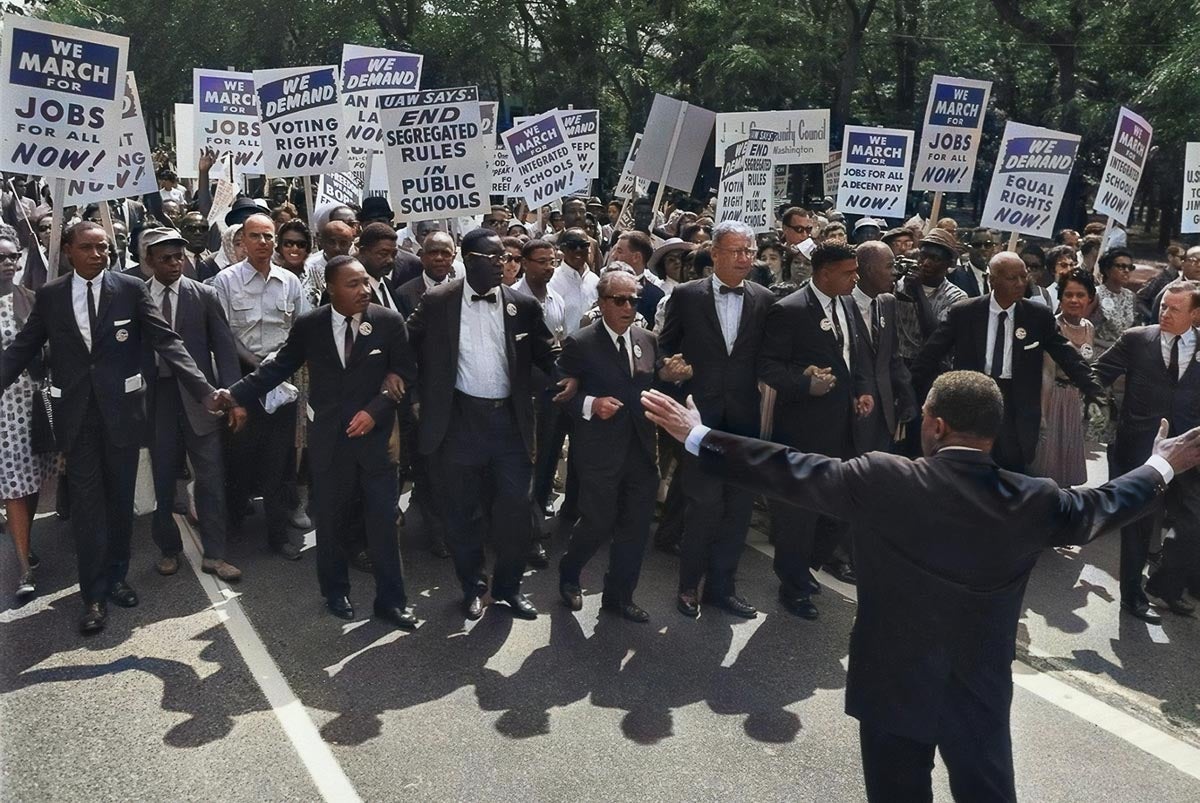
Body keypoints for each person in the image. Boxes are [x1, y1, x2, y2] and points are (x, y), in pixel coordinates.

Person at [641, 372, 1199, 803]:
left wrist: (698, 436)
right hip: (977, 690)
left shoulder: (884, 478)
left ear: (932, 424)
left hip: (891, 684)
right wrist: (1161, 465)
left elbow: (786, 468)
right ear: (992, 431)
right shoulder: (1034, 498)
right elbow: (1099, 507)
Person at [1, 222, 220, 634]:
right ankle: (93, 596)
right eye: (88, 248)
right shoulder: (50, 296)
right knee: (88, 506)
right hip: (77, 418)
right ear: (68, 250)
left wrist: (204, 389)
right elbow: (21, 349)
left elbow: (167, 341)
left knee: (121, 501)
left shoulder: (129, 289)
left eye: (104, 248)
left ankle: (117, 576)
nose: (98, 255)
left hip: (122, 415)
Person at [219, 256, 417, 629]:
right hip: (329, 443)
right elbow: (278, 367)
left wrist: (375, 410)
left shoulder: (388, 322)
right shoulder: (310, 325)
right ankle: (335, 592)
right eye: (353, 284)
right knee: (330, 522)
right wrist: (233, 395)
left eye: (365, 282)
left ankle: (391, 601)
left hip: (375, 443)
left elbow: (405, 371)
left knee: (382, 522)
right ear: (331, 288)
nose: (365, 290)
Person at [405, 228, 571, 621]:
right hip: (459, 423)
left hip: (509, 425)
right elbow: (404, 346)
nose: (503, 265)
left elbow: (551, 353)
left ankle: (509, 589)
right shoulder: (438, 300)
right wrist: (411, 392)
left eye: (506, 259)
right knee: (463, 515)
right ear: (468, 260)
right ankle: (473, 587)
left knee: (514, 512)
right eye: (493, 258)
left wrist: (572, 376)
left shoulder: (522, 305)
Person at [658, 219, 774, 619]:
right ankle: (689, 587)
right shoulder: (688, 297)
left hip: (743, 419)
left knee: (738, 508)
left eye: (751, 252)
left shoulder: (764, 298)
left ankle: (723, 588)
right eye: (737, 251)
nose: (745, 259)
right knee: (703, 505)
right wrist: (668, 370)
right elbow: (665, 348)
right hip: (699, 420)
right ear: (715, 254)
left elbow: (770, 359)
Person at [760, 240, 873, 617]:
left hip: (845, 429)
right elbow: (769, 367)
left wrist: (861, 391)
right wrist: (805, 383)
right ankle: (792, 586)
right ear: (824, 273)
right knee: (799, 515)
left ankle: (807, 565)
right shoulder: (789, 311)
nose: (855, 278)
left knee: (841, 509)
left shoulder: (849, 305)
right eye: (849, 272)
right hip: (803, 431)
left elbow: (855, 357)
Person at [913, 252, 1103, 473]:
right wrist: (909, 391)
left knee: (1010, 477)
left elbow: (1066, 354)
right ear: (991, 280)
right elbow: (930, 355)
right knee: (968, 474)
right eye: (1013, 278)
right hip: (974, 403)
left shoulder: (1037, 316)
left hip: (1017, 410)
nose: (1021, 283)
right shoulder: (965, 313)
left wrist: (1094, 388)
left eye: (1024, 277)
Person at [139, 228, 246, 581]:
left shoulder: (203, 295)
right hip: (158, 399)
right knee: (164, 477)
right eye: (165, 258)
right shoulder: (136, 296)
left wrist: (232, 398)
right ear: (149, 260)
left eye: (179, 257)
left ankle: (215, 553)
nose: (174, 264)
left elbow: (225, 349)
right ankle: (168, 548)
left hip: (202, 399)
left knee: (211, 477)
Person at [555, 271, 661, 622]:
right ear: (602, 303)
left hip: (641, 450)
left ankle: (619, 596)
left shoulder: (647, 339)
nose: (628, 307)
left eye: (634, 300)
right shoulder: (581, 342)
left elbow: (653, 387)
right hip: (600, 450)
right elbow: (558, 394)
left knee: (636, 527)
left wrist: (673, 377)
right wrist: (591, 404)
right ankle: (570, 573)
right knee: (598, 523)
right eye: (620, 300)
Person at [1095, 281, 1200, 622]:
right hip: (1142, 449)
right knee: (1139, 526)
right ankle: (1132, 598)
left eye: (1174, 309)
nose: (1164, 313)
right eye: (1163, 306)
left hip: (1190, 453)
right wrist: (1092, 399)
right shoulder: (1137, 339)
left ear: (1195, 315)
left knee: (1193, 523)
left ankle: (1164, 586)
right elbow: (1099, 373)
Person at [210, 213, 309, 560]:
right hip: (243, 381)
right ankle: (233, 525)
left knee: (280, 463)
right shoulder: (225, 282)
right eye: (256, 236)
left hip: (283, 383)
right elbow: (222, 336)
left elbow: (300, 331)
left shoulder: (290, 282)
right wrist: (255, 369)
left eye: (269, 237)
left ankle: (278, 535)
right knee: (240, 457)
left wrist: (279, 367)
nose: (263, 243)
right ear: (243, 241)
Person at [0, 234, 55, 599]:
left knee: (30, 481)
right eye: (0, 257)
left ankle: (25, 538)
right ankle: (22, 568)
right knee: (15, 486)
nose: (8, 262)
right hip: (3, 410)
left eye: (12, 256)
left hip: (32, 404)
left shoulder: (32, 300)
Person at [1030, 269, 1097, 487]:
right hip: (1052, 398)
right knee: (1046, 465)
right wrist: (1042, 413)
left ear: (1090, 298)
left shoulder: (1089, 327)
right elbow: (1047, 372)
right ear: (1060, 297)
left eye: (1080, 295)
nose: (1074, 300)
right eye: (1068, 295)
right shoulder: (1053, 326)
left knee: (1066, 468)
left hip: (1074, 400)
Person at [852, 241, 917, 453]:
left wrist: (906, 395)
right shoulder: (841, 304)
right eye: (889, 266)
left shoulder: (887, 302)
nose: (895, 273)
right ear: (869, 270)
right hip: (852, 411)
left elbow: (893, 357)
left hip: (885, 412)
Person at [395, 231, 455, 319]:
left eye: (445, 253)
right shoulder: (403, 294)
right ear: (422, 257)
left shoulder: (461, 292)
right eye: (433, 253)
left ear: (453, 258)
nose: (439, 258)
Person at [1090, 248, 1137, 354]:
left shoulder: (1131, 296)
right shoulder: (1096, 295)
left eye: (1130, 267)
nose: (1126, 271)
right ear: (1107, 270)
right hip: (1099, 354)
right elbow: (1082, 329)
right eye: (1121, 266)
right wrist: (1107, 344)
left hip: (1123, 355)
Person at [301, 219, 355, 307]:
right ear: (321, 242)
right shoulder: (309, 267)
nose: (337, 248)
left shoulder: (356, 268)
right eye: (332, 242)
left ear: (350, 244)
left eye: (343, 243)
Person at [1136, 245, 1184, 324]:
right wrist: (1152, 316)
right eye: (1181, 258)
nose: (1183, 261)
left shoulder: (1178, 278)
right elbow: (1139, 299)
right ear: (1170, 257)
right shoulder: (1159, 278)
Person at [949, 228, 995, 297]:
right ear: (969, 248)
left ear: (993, 248)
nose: (983, 248)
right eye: (977, 245)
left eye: (987, 245)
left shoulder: (998, 277)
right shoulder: (956, 275)